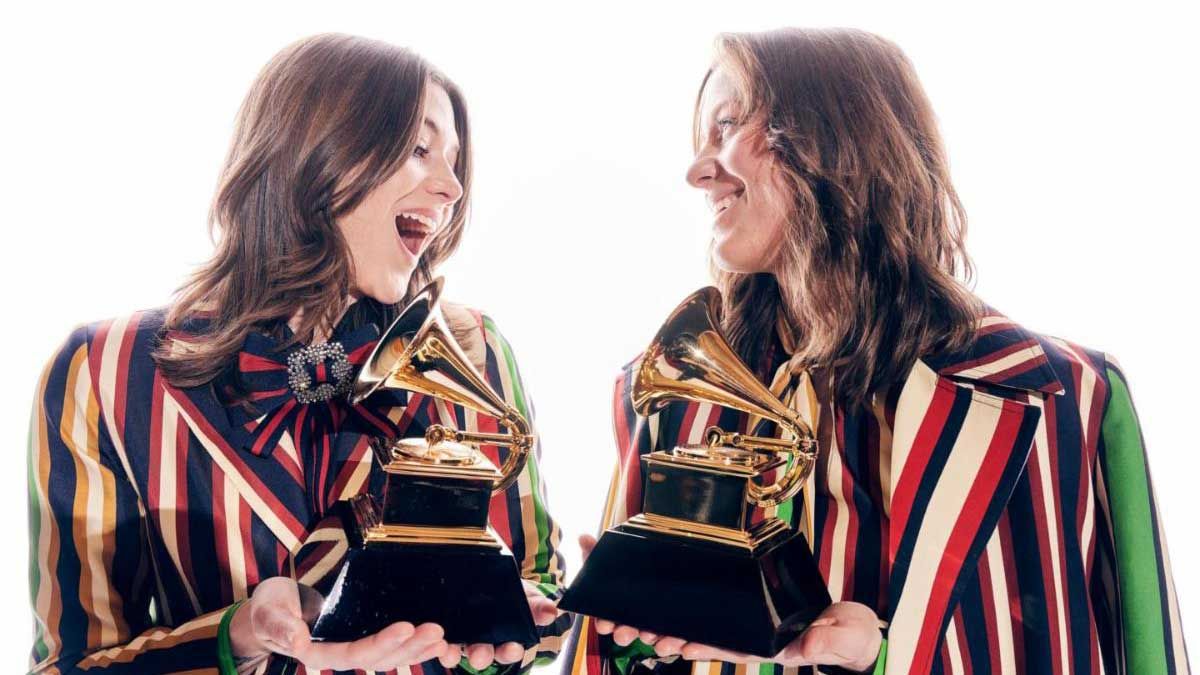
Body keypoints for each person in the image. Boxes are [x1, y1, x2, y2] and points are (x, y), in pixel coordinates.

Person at [562, 28, 1188, 675]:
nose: (697, 172)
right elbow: (603, 659)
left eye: (725, 128)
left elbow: (1148, 656)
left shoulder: (1075, 397)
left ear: (831, 136)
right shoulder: (663, 401)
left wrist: (878, 654)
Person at [28, 33, 569, 675]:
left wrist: (500, 639)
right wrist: (242, 634)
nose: (452, 188)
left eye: (454, 161)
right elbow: (72, 664)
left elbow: (536, 593)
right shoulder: (105, 371)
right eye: (420, 148)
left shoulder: (476, 352)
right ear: (315, 151)